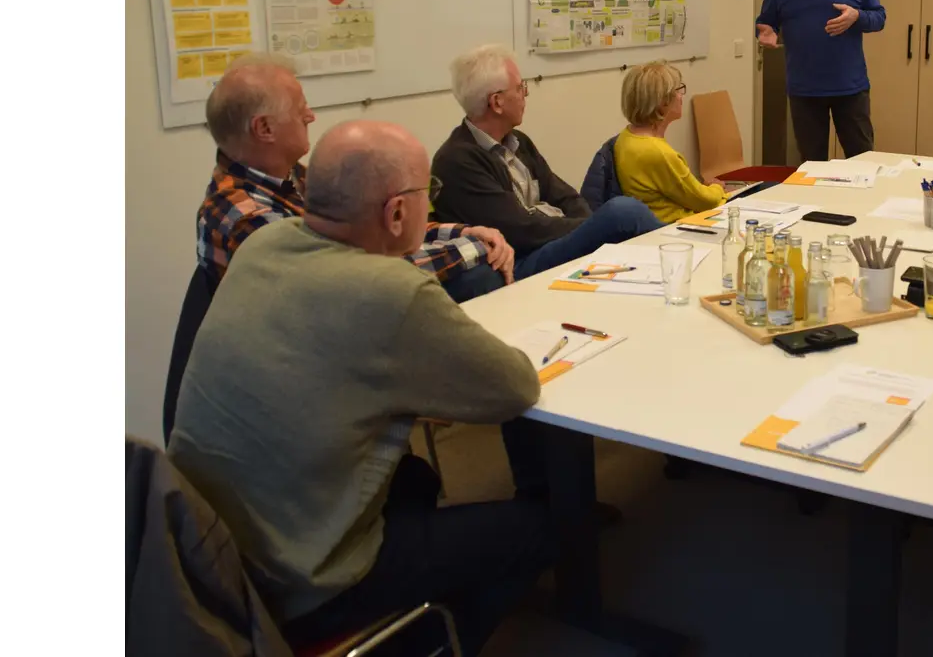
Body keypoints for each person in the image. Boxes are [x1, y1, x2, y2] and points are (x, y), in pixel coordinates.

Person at [169, 120, 556, 656]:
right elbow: (513, 388)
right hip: (302, 581)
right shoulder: (392, 291)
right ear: (397, 212)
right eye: (429, 196)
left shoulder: (266, 243)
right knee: (541, 526)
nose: (430, 207)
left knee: (414, 478)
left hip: (206, 553)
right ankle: (428, 645)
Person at [195, 55, 516, 303]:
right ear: (264, 129)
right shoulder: (242, 214)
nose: (310, 116)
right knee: (477, 277)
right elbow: (354, 279)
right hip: (317, 355)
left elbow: (379, 229)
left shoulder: (291, 178)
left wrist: (463, 232)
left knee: (480, 273)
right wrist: (469, 248)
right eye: (299, 108)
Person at [431, 45, 661, 276]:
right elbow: (521, 230)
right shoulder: (457, 162)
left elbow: (563, 194)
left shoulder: (518, 141)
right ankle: (677, 261)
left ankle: (666, 268)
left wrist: (592, 226)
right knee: (622, 212)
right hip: (522, 260)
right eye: (520, 88)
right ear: (497, 102)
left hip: (551, 240)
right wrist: (592, 228)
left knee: (618, 218)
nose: (525, 94)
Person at [755, 0, 886, 161]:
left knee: (863, 161)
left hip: (850, 87)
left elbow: (879, 17)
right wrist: (765, 31)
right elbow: (766, 21)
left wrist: (856, 17)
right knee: (812, 165)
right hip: (804, 89)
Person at [613, 61, 728, 222]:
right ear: (662, 102)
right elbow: (705, 201)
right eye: (678, 91)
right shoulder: (658, 152)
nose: (681, 96)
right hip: (679, 226)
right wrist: (717, 187)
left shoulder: (626, 138)